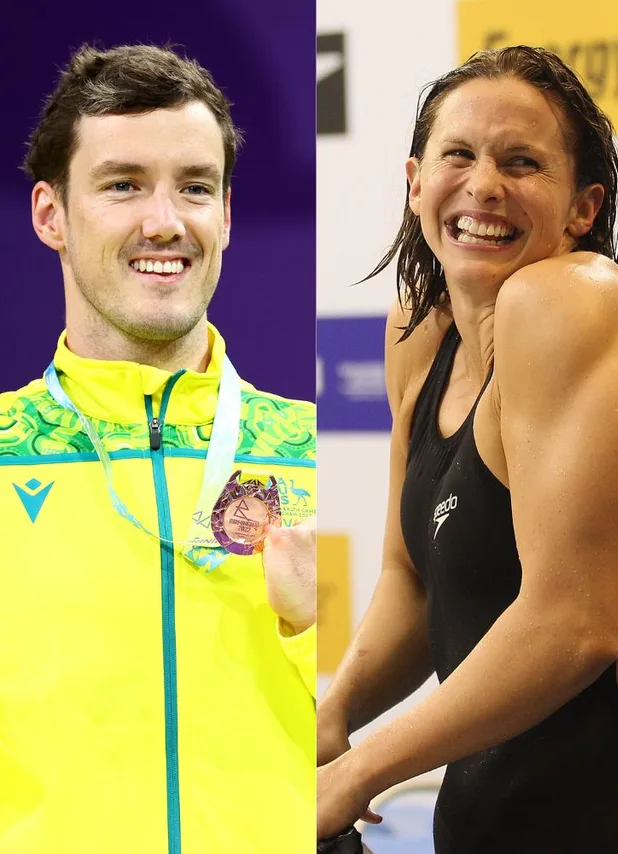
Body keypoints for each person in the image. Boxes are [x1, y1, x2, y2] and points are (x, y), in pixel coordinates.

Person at [317, 46, 618, 853]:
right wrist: (336, 708)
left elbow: (574, 626)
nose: (484, 185)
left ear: (582, 208)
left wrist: (356, 772)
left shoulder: (570, 302)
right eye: (459, 154)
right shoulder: (418, 333)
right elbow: (413, 584)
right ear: (416, 181)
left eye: (522, 163)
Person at [0, 44, 317, 852]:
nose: (166, 222)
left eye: (195, 188)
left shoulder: (317, 457)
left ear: (228, 216)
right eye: (123, 185)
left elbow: (396, 738)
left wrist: (317, 627)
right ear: (50, 215)